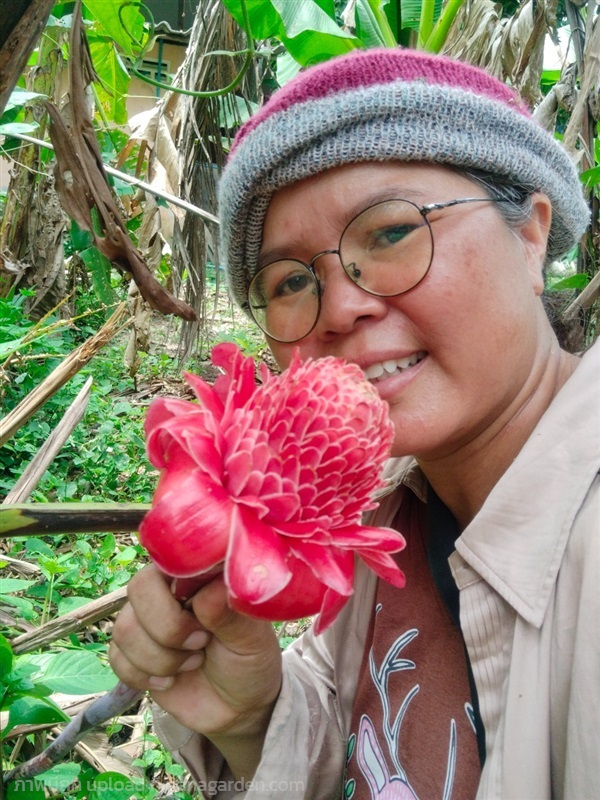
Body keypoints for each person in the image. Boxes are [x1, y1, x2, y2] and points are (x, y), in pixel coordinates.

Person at [109, 48, 599, 799]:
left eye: (393, 233)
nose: (340, 310)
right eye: (292, 281)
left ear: (531, 237)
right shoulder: (366, 517)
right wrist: (254, 718)